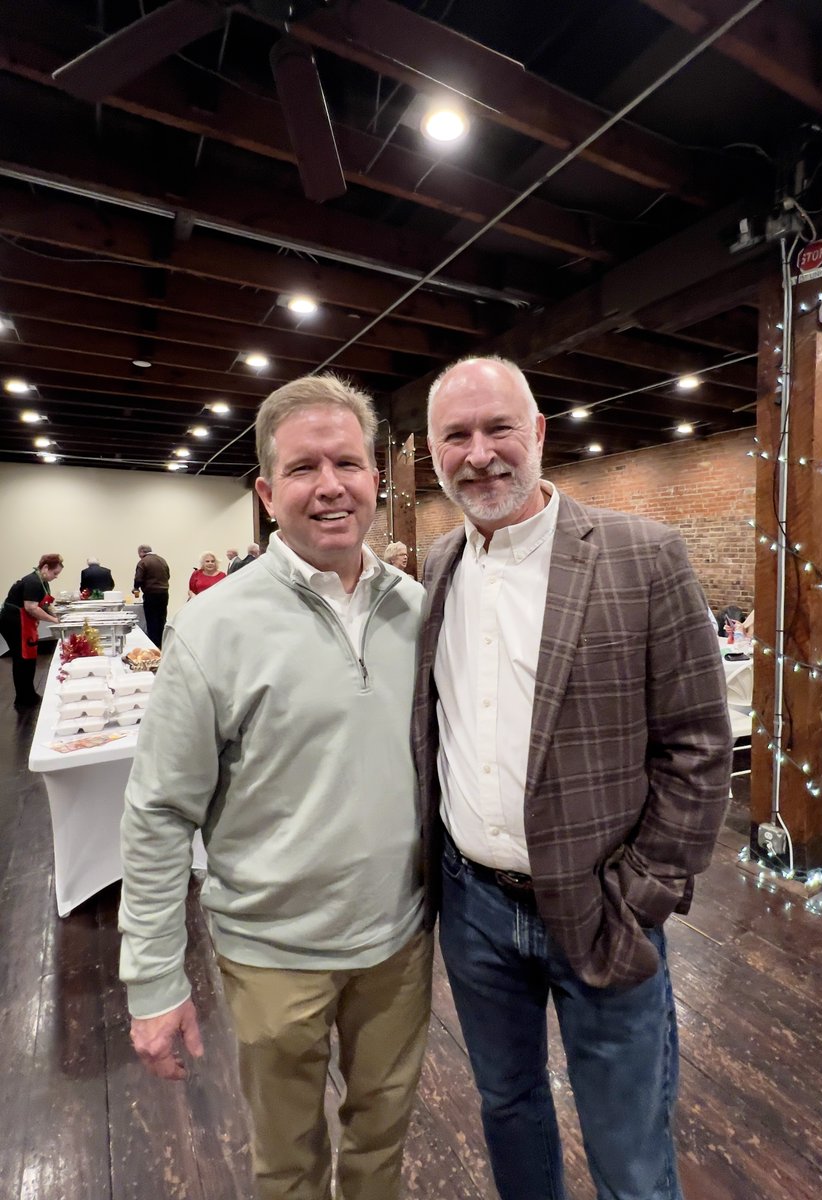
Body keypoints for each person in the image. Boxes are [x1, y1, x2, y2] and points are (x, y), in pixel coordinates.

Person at [412, 356, 732, 1200]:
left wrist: (647, 890)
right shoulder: (439, 563)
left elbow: (699, 742)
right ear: (433, 454)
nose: (479, 454)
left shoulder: (643, 555)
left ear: (540, 433)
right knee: (508, 1108)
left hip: (604, 909)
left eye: (498, 428)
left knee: (627, 1149)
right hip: (473, 908)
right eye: (456, 436)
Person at [119, 373, 432, 1200]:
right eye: (302, 469)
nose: (329, 486)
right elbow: (157, 811)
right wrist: (153, 979)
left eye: (348, 463)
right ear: (265, 491)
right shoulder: (215, 626)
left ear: (377, 479)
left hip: (398, 945)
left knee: (381, 1144)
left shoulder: (420, 609)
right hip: (272, 958)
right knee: (286, 1164)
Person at [0, 554, 63, 709]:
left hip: (23, 622)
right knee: (22, 659)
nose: (55, 577)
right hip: (13, 622)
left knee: (29, 659)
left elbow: (46, 604)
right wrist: (54, 620)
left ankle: (29, 693)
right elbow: (31, 607)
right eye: (54, 573)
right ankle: (22, 698)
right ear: (45, 567)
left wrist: (57, 615)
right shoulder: (32, 582)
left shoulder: (43, 582)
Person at [133, 544, 170, 649]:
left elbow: (138, 579)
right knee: (161, 619)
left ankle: (153, 645)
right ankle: (163, 644)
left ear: (141, 552)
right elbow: (168, 575)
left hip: (151, 594)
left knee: (151, 620)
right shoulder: (162, 560)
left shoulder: (143, 562)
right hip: (164, 593)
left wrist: (136, 588)